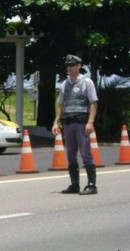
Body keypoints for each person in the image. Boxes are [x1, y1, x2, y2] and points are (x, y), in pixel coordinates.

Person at [52, 54, 99, 195]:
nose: (69, 68)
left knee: (85, 153)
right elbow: (61, 105)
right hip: (68, 124)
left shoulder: (87, 82)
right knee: (71, 155)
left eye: (72, 65)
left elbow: (93, 103)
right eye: (68, 66)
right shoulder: (64, 84)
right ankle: (74, 184)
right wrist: (56, 122)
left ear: (79, 66)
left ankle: (91, 185)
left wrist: (90, 122)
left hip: (81, 123)